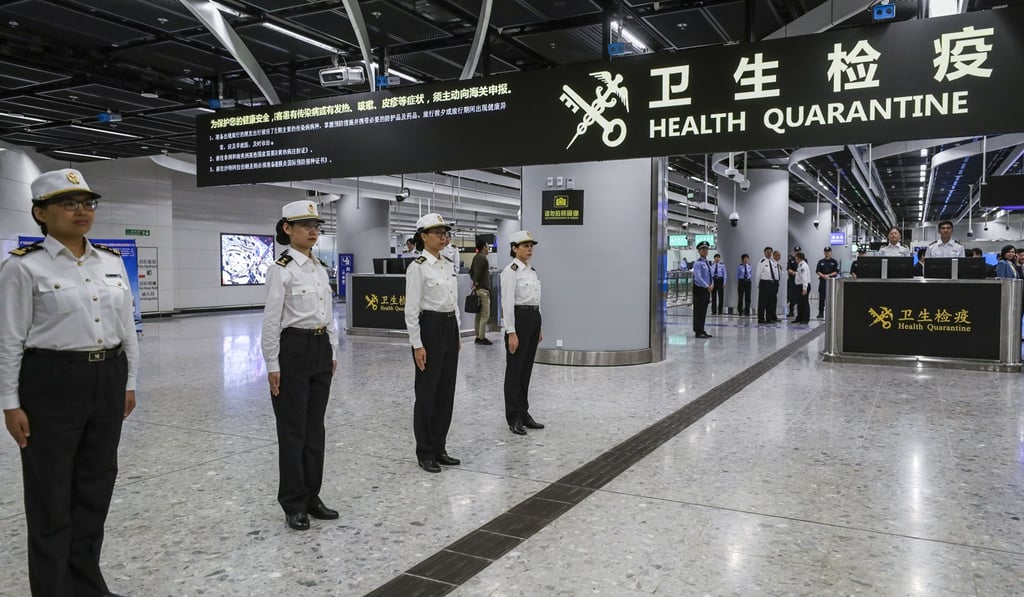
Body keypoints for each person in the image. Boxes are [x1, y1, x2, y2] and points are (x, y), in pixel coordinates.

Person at [0, 169, 139, 596]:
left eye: (88, 203)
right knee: (50, 493)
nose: (82, 211)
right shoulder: (23, 266)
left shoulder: (110, 262)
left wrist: (129, 382)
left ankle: (87, 583)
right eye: (68, 203)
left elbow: (126, 328)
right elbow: (9, 338)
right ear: (40, 213)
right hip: (51, 382)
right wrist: (10, 402)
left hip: (107, 376)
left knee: (95, 486)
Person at [262, 200, 339, 532]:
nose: (312, 230)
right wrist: (272, 363)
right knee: (293, 431)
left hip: (320, 348)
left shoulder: (319, 267)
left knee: (315, 429)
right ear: (287, 228)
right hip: (293, 349)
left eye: (316, 225)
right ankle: (293, 503)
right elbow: (271, 320)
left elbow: (327, 313)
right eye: (305, 225)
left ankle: (311, 496)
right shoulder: (281, 269)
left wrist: (332, 350)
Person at [404, 213, 461, 473]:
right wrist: (417, 344)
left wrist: (457, 333)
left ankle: (439, 447)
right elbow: (411, 309)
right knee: (427, 392)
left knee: (446, 392)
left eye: (445, 233)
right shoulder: (418, 267)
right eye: (437, 232)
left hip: (449, 327)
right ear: (423, 236)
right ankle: (425, 451)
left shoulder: (447, 264)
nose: (443, 237)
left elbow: (453, 301)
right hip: (430, 327)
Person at [501, 231, 545, 435]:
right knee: (515, 371)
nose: (529, 249)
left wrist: (539, 326)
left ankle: (524, 413)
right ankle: (514, 417)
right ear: (514, 248)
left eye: (531, 245)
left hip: (533, 319)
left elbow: (536, 299)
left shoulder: (531, 271)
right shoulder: (511, 271)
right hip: (519, 320)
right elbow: (507, 303)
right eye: (525, 245)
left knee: (526, 370)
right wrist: (511, 331)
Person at [470, 239, 493, 345]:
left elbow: (471, 271)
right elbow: (478, 272)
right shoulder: (482, 258)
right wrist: (476, 282)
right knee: (485, 315)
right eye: (487, 246)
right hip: (483, 290)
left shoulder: (476, 257)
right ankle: (481, 337)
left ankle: (478, 335)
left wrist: (475, 282)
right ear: (483, 247)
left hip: (479, 289)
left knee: (478, 315)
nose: (488, 248)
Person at [692, 241, 713, 338]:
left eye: (706, 249)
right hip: (699, 290)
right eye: (703, 249)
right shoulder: (697, 263)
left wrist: (712, 284)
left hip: (706, 289)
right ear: (699, 251)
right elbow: (698, 278)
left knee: (704, 311)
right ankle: (698, 331)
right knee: (698, 311)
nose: (705, 251)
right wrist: (707, 286)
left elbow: (710, 276)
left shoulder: (707, 263)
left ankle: (702, 329)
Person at [815, 247, 839, 318]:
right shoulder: (821, 262)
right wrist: (823, 276)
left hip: (832, 281)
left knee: (832, 298)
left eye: (828, 251)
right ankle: (821, 313)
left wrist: (828, 275)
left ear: (831, 252)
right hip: (823, 281)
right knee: (822, 298)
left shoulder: (834, 261)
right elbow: (817, 271)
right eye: (826, 251)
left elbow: (836, 272)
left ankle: (831, 313)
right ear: (824, 252)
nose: (827, 253)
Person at [756, 246, 776, 324]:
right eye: (767, 252)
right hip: (764, 283)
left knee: (770, 302)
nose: (769, 253)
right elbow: (758, 274)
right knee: (762, 302)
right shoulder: (762, 261)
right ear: (764, 253)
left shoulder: (772, 261)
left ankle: (769, 318)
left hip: (771, 283)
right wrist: (758, 284)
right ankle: (761, 319)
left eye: (770, 252)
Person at [792, 251, 812, 324]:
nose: (795, 259)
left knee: (804, 303)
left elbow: (804, 277)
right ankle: (799, 318)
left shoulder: (803, 266)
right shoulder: (800, 265)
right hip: (799, 286)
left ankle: (805, 319)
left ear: (799, 258)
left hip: (803, 286)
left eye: (796, 257)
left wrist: (804, 288)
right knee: (799, 303)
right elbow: (800, 274)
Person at [786, 247, 799, 317]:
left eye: (798, 251)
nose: (797, 252)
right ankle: (791, 311)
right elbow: (788, 269)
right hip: (792, 279)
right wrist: (794, 273)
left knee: (799, 296)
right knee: (791, 296)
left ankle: (800, 312)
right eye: (796, 251)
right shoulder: (791, 260)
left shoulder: (804, 260)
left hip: (800, 280)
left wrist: (797, 273)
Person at [771, 250, 784, 323]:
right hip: (772, 284)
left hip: (776, 283)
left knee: (774, 300)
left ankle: (774, 316)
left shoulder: (777, 264)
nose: (779, 257)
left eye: (780, 256)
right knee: (772, 301)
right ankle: (771, 316)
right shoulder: (771, 263)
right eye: (778, 255)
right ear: (774, 255)